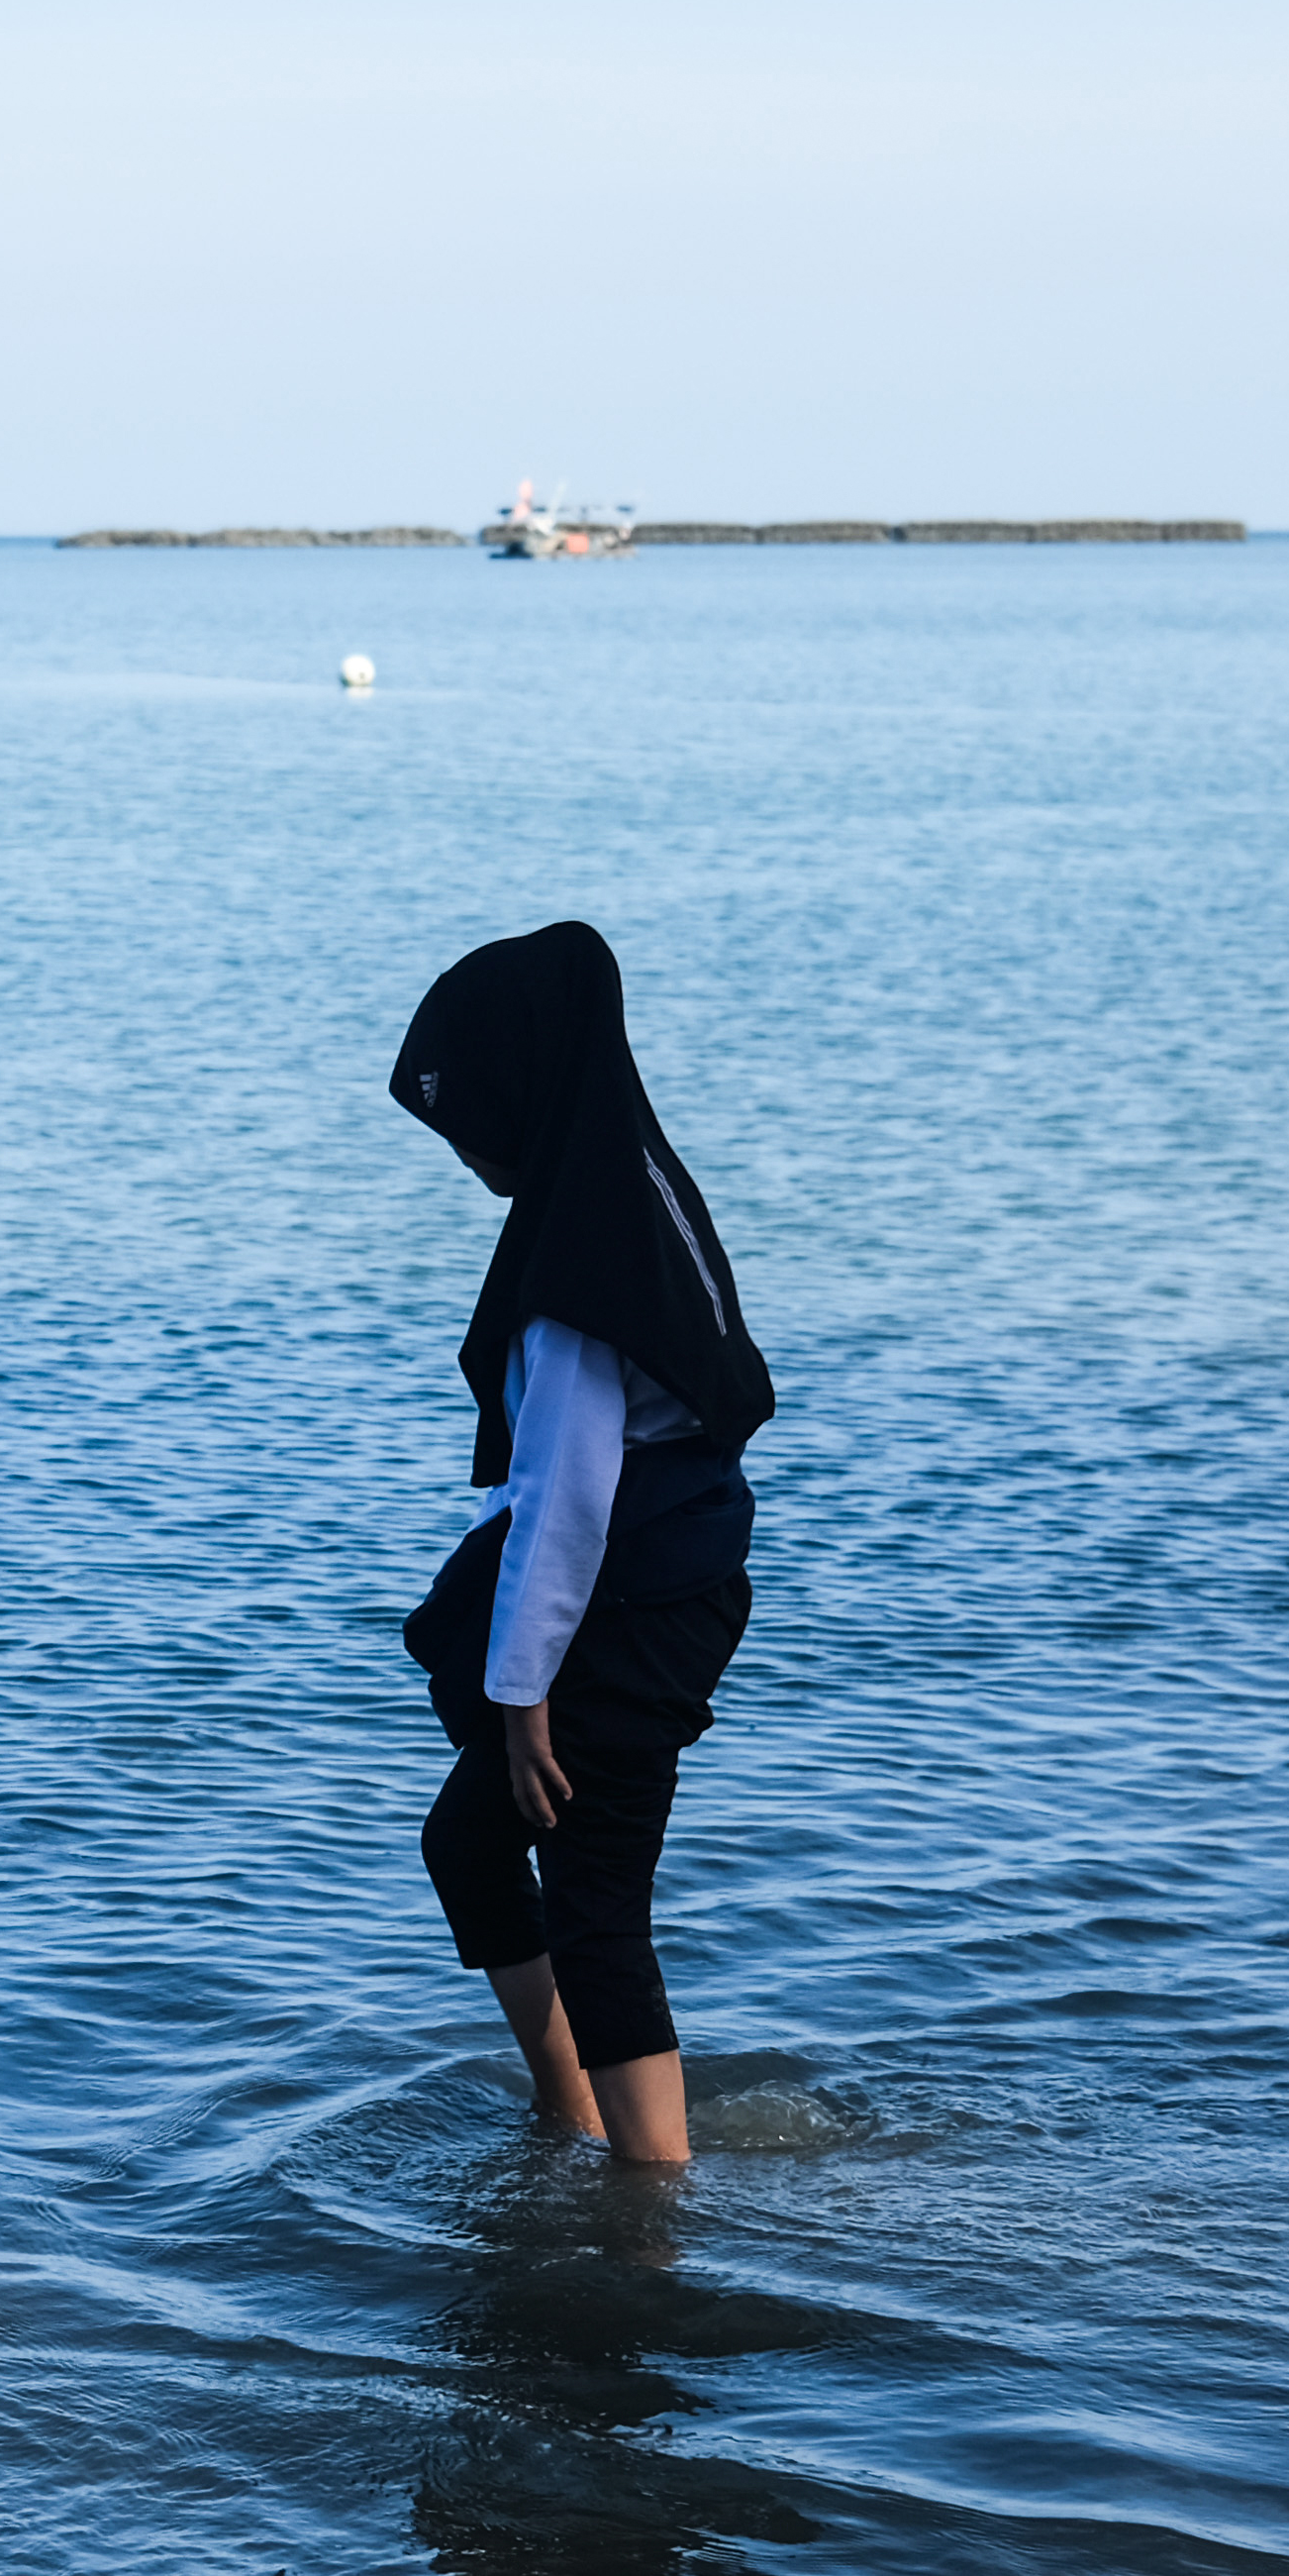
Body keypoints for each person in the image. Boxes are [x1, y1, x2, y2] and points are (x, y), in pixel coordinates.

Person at [387, 924, 775, 2166]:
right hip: (677, 1581)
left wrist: (520, 1697)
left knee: (599, 1906)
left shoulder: (571, 1275)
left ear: (522, 1093)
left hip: (630, 1604)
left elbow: (568, 1496)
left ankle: (651, 2211)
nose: (460, 1155)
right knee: (470, 1842)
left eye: (461, 1125)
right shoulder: (635, 1185)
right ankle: (573, 2109)